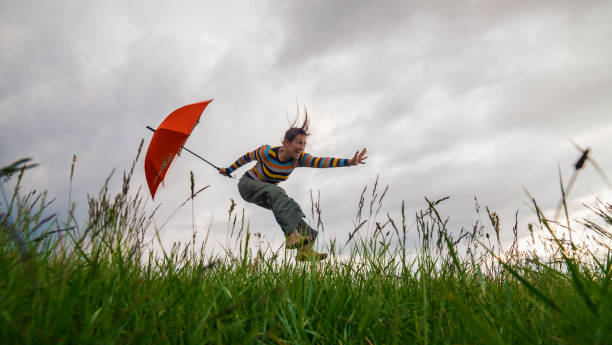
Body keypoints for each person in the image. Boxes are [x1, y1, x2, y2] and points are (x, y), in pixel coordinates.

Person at [219, 113, 367, 261]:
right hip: (248, 185)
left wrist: (349, 162)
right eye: (298, 143)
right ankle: (291, 236)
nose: (301, 148)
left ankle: (305, 251)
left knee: (291, 208)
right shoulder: (267, 152)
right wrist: (229, 170)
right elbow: (246, 157)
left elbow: (321, 161)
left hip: (267, 193)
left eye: (304, 144)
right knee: (278, 192)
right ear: (286, 142)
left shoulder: (299, 159)